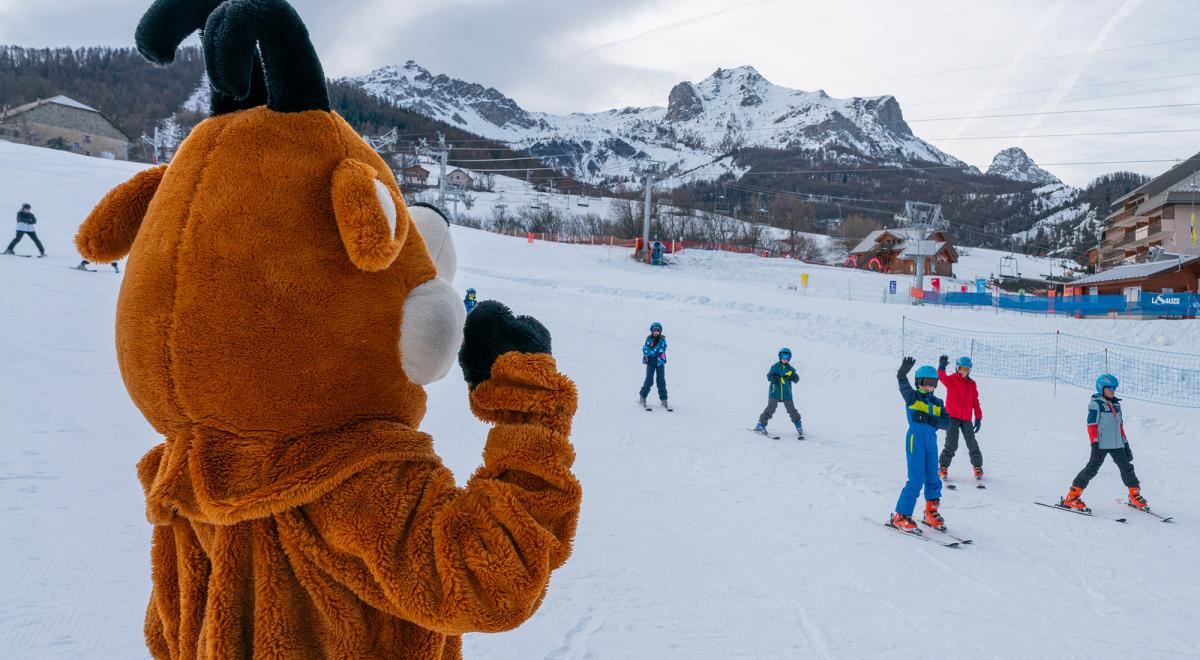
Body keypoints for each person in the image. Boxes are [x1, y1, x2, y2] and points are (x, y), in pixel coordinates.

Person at [1061, 374, 1149, 511]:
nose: (1113, 390)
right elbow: (1092, 426)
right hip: (1101, 444)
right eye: (1110, 388)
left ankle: (1134, 495)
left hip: (1117, 444)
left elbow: (1120, 426)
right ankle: (1072, 497)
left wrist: (1126, 444)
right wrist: (1094, 445)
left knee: (1127, 468)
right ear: (1102, 388)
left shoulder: (1116, 404)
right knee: (1091, 469)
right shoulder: (1096, 404)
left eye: (1115, 388)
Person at [891, 357, 951, 531]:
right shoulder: (912, 396)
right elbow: (903, 383)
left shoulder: (938, 403)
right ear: (918, 382)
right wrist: (902, 372)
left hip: (931, 441)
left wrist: (931, 419)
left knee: (933, 476)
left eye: (933, 382)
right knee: (916, 478)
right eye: (925, 382)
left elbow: (946, 423)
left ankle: (930, 512)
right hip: (915, 439)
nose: (929, 386)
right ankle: (901, 515)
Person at [936, 355, 984, 481]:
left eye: (966, 369)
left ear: (969, 370)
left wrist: (978, 417)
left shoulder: (972, 384)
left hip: (966, 419)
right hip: (951, 417)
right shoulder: (952, 379)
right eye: (961, 368)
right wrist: (941, 368)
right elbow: (942, 378)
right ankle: (943, 466)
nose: (963, 371)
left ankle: (977, 466)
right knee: (951, 443)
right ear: (957, 368)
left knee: (972, 443)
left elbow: (975, 401)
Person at [755, 347, 803, 438]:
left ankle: (798, 424)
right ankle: (761, 425)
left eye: (787, 357)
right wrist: (776, 378)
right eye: (783, 357)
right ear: (780, 357)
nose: (785, 359)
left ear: (789, 358)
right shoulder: (775, 367)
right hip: (775, 392)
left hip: (786, 394)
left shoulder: (790, 369)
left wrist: (792, 375)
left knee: (791, 410)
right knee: (771, 408)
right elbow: (769, 377)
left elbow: (797, 379)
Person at [639, 321, 669, 408]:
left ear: (660, 331)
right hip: (650, 363)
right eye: (654, 330)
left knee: (661, 381)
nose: (656, 332)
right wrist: (652, 351)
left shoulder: (662, 340)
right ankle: (642, 396)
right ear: (652, 331)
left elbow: (661, 349)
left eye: (658, 330)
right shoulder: (649, 339)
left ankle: (664, 399)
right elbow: (645, 350)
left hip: (659, 363)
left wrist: (652, 351)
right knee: (649, 380)